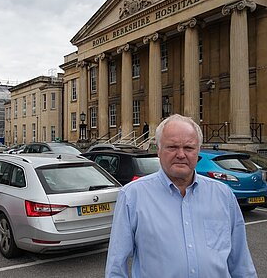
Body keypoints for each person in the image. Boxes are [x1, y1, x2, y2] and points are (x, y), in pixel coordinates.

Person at [105, 114, 257, 278]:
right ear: (158, 150)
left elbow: (241, 263)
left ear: (198, 151)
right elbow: (116, 268)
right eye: (172, 147)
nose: (181, 154)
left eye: (189, 148)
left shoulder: (223, 194)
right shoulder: (132, 196)